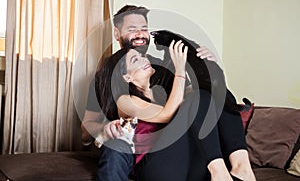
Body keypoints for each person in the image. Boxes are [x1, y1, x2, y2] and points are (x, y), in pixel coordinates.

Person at [81, 5, 217, 180]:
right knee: (116, 145)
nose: (140, 34)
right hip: (128, 149)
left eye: (144, 29)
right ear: (117, 34)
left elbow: (194, 104)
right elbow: (85, 131)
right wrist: (104, 129)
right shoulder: (104, 78)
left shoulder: (165, 69)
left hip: (167, 152)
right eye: (132, 29)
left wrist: (208, 65)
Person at [94, 43, 256, 180]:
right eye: (136, 60)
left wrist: (209, 64)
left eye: (142, 56)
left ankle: (241, 167)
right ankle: (219, 172)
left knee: (217, 93)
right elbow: (166, 114)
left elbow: (203, 99)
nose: (144, 59)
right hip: (156, 169)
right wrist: (179, 69)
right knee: (199, 97)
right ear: (126, 77)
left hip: (184, 164)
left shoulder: (163, 94)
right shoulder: (125, 100)